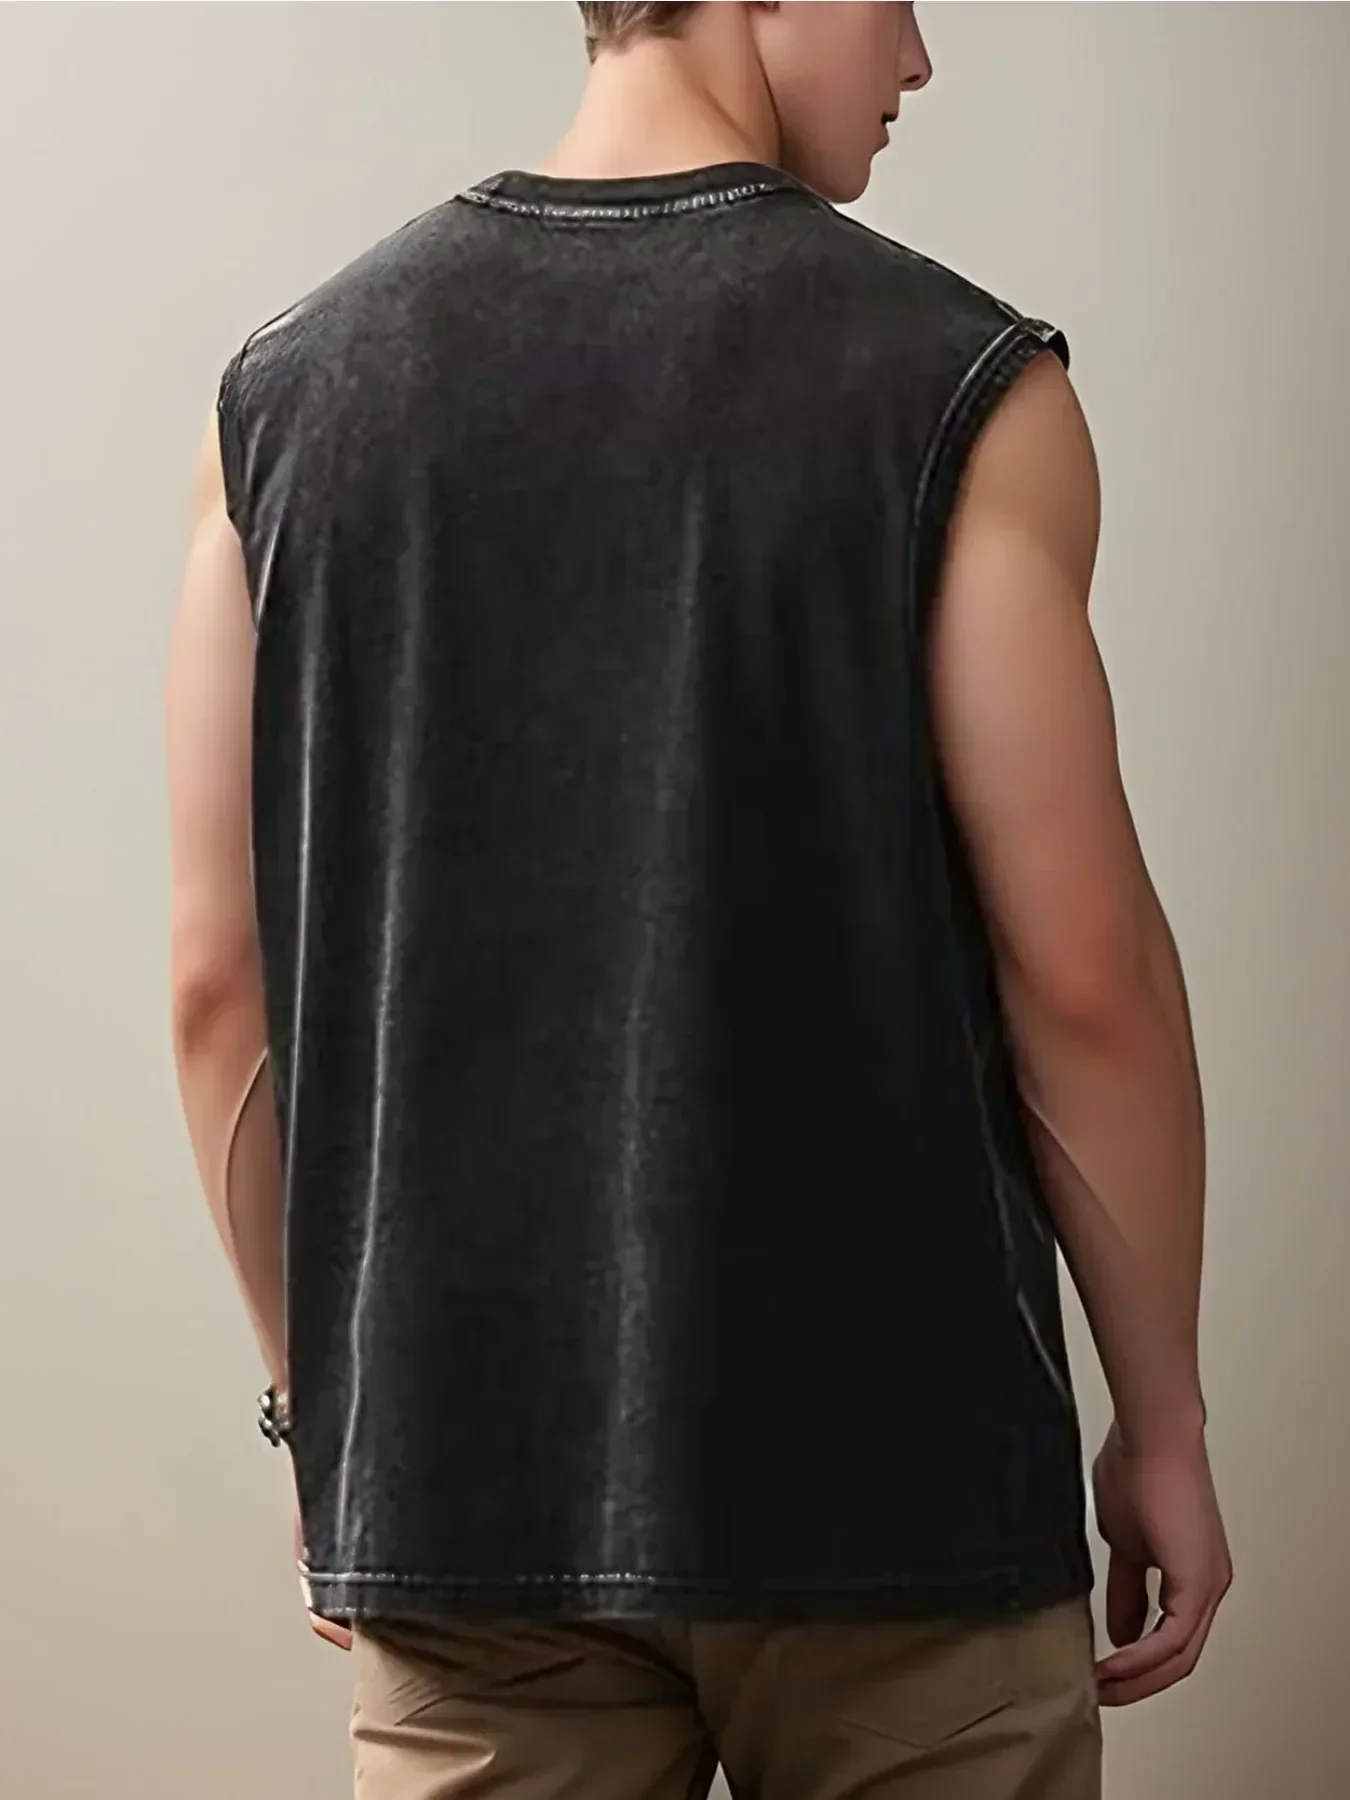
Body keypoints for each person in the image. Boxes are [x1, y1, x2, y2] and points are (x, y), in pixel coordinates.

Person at [165, 4, 1232, 1795]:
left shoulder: (281, 401)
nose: (916, 59)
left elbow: (220, 986)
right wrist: (1166, 1418)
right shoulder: (956, 388)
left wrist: (322, 1412)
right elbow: (1082, 975)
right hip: (904, 1501)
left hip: (463, 1493)